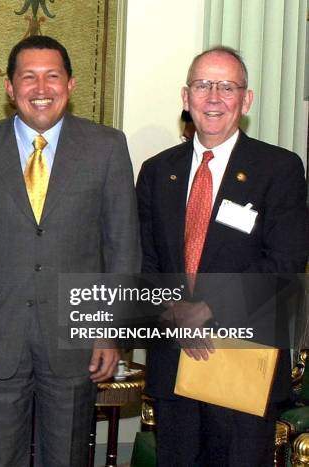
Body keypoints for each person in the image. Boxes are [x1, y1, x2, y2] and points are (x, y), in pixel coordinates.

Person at [0, 35, 140, 466]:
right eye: (28, 77)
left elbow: (123, 247)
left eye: (52, 76)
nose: (41, 87)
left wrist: (112, 331)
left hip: (77, 340)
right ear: (10, 89)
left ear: (71, 84)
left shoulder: (107, 147)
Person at [136, 46, 308, 466]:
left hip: (243, 360)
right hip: (174, 356)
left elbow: (284, 261)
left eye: (226, 86)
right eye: (203, 85)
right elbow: (144, 260)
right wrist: (175, 312)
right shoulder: (158, 170)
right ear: (185, 96)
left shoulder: (279, 169)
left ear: (245, 100)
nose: (213, 97)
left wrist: (208, 309)